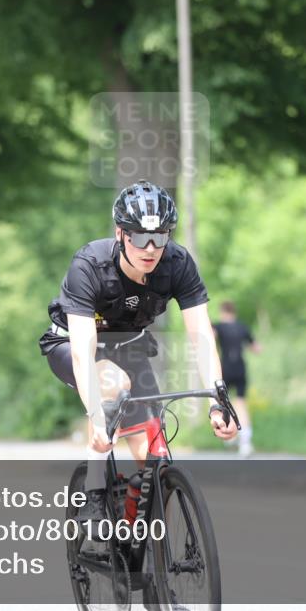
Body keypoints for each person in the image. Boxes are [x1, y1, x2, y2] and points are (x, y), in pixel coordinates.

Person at [38, 181, 238, 530]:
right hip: (73, 345)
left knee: (153, 462)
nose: (150, 248)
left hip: (130, 344)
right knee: (114, 384)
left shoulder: (177, 263)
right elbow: (85, 351)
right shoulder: (90, 264)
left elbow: (201, 334)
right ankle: (95, 493)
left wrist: (219, 398)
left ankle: (140, 540)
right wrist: (97, 417)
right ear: (120, 233)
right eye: (139, 237)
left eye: (160, 237)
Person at [213, 300, 260, 457]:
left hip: (225, 368)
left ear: (222, 312)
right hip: (240, 367)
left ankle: (228, 434)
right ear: (234, 312)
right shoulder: (242, 327)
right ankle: (245, 442)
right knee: (241, 403)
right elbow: (256, 348)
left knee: (222, 401)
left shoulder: (218, 326)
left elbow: (209, 338)